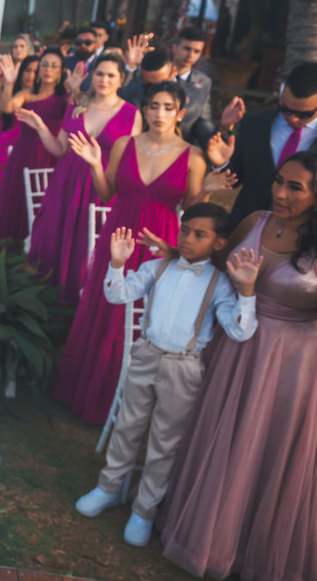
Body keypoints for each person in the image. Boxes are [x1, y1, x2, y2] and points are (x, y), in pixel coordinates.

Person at [161, 153, 317, 581]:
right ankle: (211, 538)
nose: (281, 193)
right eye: (278, 182)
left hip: (296, 362)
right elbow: (214, 265)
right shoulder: (254, 220)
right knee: (226, 441)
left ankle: (262, 556)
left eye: (295, 188)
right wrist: (172, 252)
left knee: (269, 450)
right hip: (239, 345)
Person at [74, 205, 258, 548]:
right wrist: (117, 264)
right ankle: (109, 487)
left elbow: (239, 331)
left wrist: (247, 292)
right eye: (184, 229)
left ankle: (145, 509)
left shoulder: (219, 285)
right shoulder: (156, 267)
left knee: (165, 440)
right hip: (146, 354)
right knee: (127, 425)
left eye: (199, 234)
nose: (187, 239)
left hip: (184, 366)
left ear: (218, 243)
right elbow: (118, 294)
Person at [52, 81, 217, 424]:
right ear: (145, 108)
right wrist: (96, 164)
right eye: (153, 106)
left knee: (142, 317)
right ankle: (84, 392)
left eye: (167, 107)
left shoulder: (194, 157)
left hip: (160, 243)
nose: (159, 113)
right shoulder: (125, 144)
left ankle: (129, 402)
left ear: (180, 113)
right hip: (118, 235)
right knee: (103, 307)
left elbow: (192, 213)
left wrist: (208, 191)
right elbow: (106, 192)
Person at [27, 53, 142, 303]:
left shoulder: (132, 114)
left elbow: (131, 162)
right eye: (100, 73)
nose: (104, 79)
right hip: (66, 182)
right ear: (92, 76)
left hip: (100, 184)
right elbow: (59, 149)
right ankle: (43, 300)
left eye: (111, 75)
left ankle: (77, 304)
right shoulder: (77, 104)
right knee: (54, 237)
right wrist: (40, 127)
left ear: (121, 79)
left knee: (85, 247)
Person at [208, 62, 317, 224]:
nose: (293, 118)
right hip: (247, 227)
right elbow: (236, 177)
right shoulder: (255, 124)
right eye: (286, 109)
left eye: (304, 114)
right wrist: (222, 164)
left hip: (306, 236)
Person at [0, 49, 68, 243]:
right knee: (15, 201)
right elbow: (6, 108)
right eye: (45, 64)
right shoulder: (26, 94)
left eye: (54, 66)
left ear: (61, 70)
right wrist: (8, 83)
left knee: (43, 204)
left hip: (49, 155)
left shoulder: (64, 99)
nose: (48, 69)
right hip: (22, 154)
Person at [0, 55, 37, 195]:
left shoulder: (40, 97)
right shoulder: (10, 92)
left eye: (35, 71)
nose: (31, 75)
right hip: (4, 153)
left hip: (28, 154)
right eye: (27, 70)